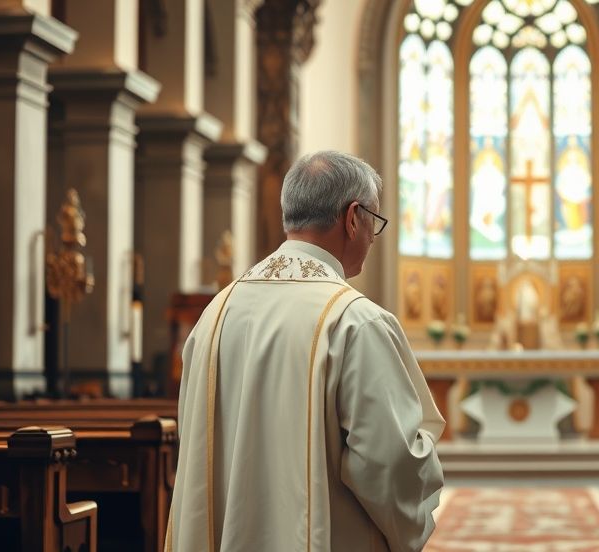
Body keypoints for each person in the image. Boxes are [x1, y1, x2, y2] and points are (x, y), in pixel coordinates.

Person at [166, 151, 445, 551]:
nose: (371, 238)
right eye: (374, 224)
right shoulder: (355, 322)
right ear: (353, 218)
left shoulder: (215, 313)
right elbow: (388, 464)